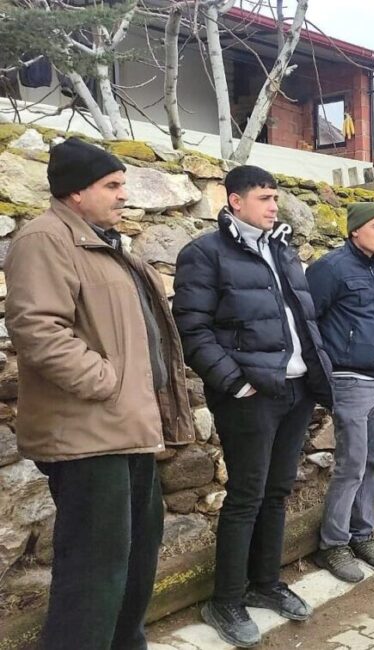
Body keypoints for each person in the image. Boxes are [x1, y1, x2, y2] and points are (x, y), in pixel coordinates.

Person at [6, 138, 195, 650]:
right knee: (93, 574)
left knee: (136, 560)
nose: (123, 195)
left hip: (126, 432)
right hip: (88, 435)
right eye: (112, 186)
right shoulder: (45, 240)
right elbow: (38, 329)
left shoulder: (104, 242)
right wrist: (108, 383)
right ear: (75, 192)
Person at [174, 165, 333, 648]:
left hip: (296, 391)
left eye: (275, 198)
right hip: (251, 396)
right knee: (246, 496)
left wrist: (315, 377)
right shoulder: (204, 253)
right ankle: (225, 599)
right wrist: (234, 384)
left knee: (278, 492)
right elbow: (192, 329)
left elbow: (303, 319)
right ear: (235, 200)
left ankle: (265, 584)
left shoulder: (282, 250)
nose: (273, 206)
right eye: (264, 197)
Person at [305, 202, 374, 582]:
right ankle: (333, 544)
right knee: (351, 465)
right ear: (356, 229)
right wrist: (326, 377)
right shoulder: (330, 268)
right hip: (349, 381)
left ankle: (363, 534)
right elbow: (309, 323)